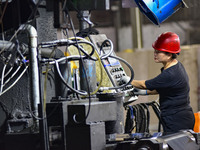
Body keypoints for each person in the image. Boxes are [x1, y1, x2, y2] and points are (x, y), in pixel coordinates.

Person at [126, 32, 195, 134]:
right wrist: (142, 93)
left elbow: (145, 84)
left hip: (177, 120)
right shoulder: (176, 66)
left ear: (169, 54)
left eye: (158, 52)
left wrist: (127, 80)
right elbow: (163, 88)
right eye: (155, 50)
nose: (155, 54)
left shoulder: (170, 74)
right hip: (180, 116)